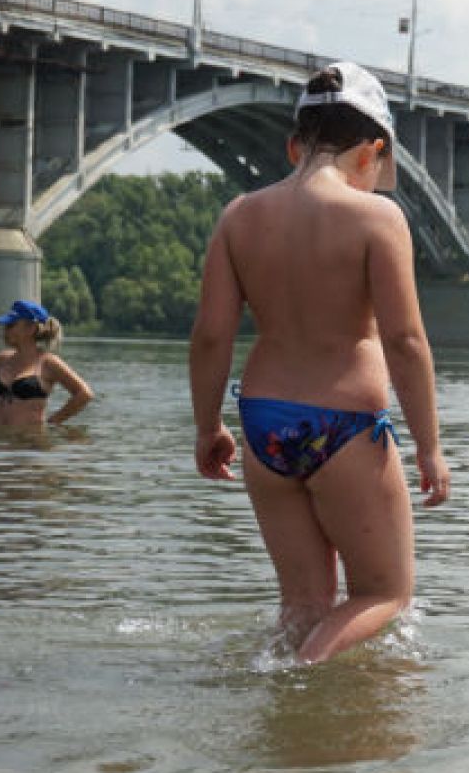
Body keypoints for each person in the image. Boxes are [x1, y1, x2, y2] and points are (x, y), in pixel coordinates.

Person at [189, 60, 451, 666]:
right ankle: (299, 676)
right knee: (385, 593)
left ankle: (279, 678)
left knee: (304, 602)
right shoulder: (377, 219)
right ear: (372, 152)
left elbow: (210, 337)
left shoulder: (239, 217)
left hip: (263, 427)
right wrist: (430, 446)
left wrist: (208, 427)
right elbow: (406, 342)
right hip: (344, 428)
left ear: (293, 145)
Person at [0, 300, 94, 427]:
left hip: (31, 443)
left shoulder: (48, 363)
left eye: (10, 325)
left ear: (31, 328)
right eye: (5, 326)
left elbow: (84, 394)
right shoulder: (2, 359)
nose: (5, 331)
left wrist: (54, 421)